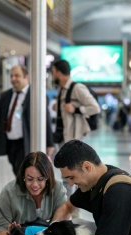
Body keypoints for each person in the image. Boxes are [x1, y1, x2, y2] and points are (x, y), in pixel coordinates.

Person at [0, 151, 66, 235]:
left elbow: (62, 222)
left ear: (48, 178)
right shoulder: (9, 192)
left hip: (40, 234)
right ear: (23, 176)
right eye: (29, 179)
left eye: (40, 179)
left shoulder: (58, 189)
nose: (35, 185)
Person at [0, 65, 55, 176]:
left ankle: (25, 191)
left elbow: (46, 119)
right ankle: (23, 191)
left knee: (24, 171)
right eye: (11, 76)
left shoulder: (36, 95)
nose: (13, 79)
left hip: (26, 142)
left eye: (17, 76)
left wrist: (49, 143)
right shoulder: (6, 96)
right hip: (10, 142)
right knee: (16, 170)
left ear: (26, 77)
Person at [51, 59, 100, 197]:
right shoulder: (61, 89)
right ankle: (69, 205)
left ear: (59, 73)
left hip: (73, 138)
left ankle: (72, 206)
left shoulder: (77, 88)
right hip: (62, 136)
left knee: (73, 174)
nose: (52, 75)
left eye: (53, 72)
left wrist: (77, 109)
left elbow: (95, 107)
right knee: (65, 173)